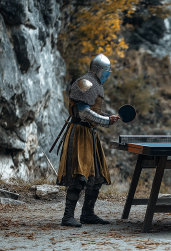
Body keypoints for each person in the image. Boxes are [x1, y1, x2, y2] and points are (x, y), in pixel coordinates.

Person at [56, 54, 120, 227]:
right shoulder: (85, 83)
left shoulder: (95, 84)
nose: (107, 75)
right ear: (99, 70)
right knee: (79, 176)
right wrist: (106, 121)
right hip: (79, 135)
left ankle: (88, 214)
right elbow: (83, 112)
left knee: (96, 176)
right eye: (106, 72)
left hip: (90, 134)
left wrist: (108, 117)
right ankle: (68, 216)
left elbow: (93, 112)